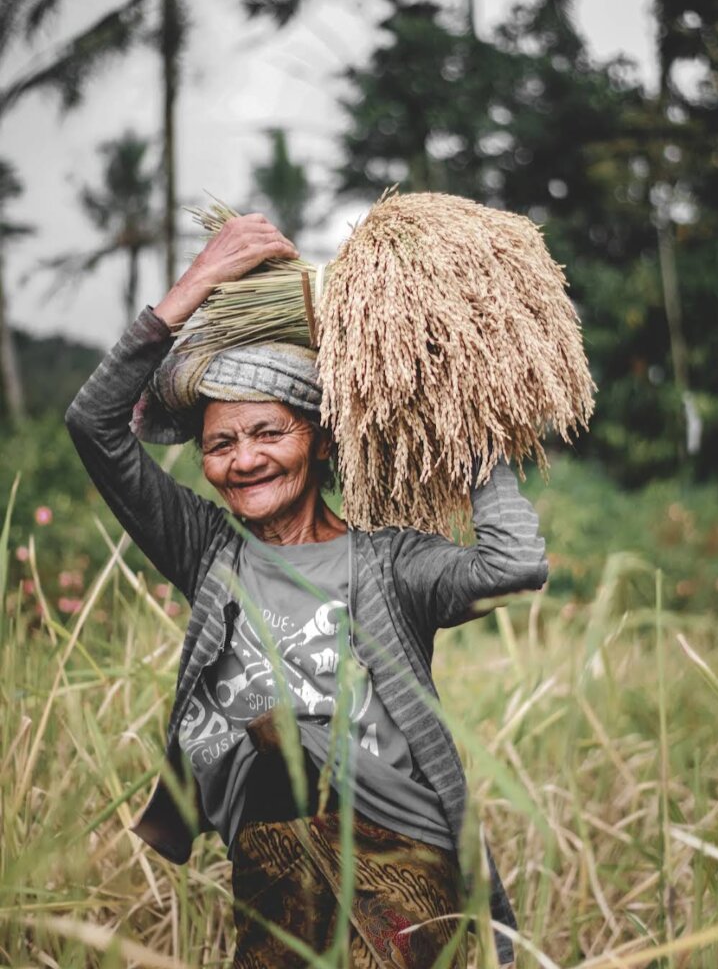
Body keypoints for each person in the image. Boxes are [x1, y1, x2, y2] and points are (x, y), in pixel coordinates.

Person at [66, 213, 549, 969]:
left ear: (321, 440)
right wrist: (196, 284)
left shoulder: (391, 565)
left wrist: (468, 430)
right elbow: (93, 424)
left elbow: (512, 564)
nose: (243, 460)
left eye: (268, 433)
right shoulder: (207, 551)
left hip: (400, 856)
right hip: (273, 861)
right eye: (220, 445)